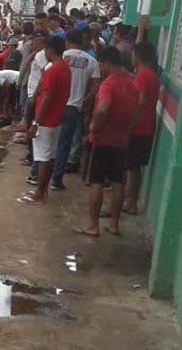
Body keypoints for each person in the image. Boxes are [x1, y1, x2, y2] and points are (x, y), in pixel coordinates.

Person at [77, 46, 139, 236]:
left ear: (107, 62)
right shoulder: (133, 85)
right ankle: (114, 225)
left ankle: (93, 226)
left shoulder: (108, 85)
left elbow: (103, 108)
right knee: (117, 183)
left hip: (102, 140)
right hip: (121, 141)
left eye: (102, 64)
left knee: (96, 181)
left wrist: (94, 126)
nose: (101, 68)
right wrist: (127, 129)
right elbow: (137, 113)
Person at [20, 36, 71, 205]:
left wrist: (36, 123)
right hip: (56, 118)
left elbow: (47, 97)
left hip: (46, 120)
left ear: (50, 50)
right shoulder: (65, 69)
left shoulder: (53, 70)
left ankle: (39, 194)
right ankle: (43, 191)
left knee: (42, 158)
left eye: (46, 50)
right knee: (50, 156)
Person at [51, 29, 101, 191]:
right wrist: (85, 101)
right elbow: (95, 87)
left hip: (55, 105)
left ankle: (40, 174)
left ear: (66, 41)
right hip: (74, 107)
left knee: (50, 141)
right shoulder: (91, 61)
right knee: (65, 143)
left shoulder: (60, 57)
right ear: (83, 42)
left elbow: (48, 79)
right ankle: (56, 179)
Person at [122, 42, 160, 215]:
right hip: (145, 127)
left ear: (137, 57)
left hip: (139, 128)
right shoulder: (149, 74)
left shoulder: (144, 76)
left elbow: (141, 100)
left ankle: (130, 203)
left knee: (131, 167)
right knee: (133, 167)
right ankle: (129, 200)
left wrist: (130, 121)